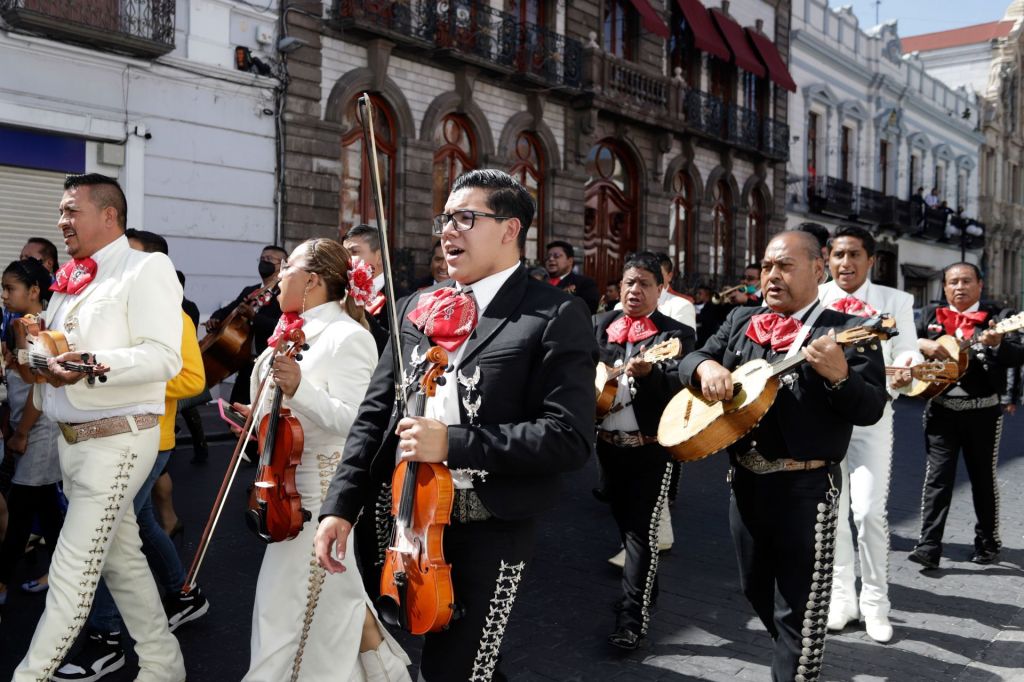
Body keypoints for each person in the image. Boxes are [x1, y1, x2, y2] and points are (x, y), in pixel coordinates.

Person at [315, 169, 598, 681]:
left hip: (491, 526)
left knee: (457, 668)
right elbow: (374, 415)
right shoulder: (415, 309)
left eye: (466, 218)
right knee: (463, 662)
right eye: (446, 218)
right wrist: (340, 506)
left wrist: (455, 443)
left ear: (510, 229)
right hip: (408, 524)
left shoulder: (555, 314)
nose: (448, 230)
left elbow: (569, 438)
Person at [677, 231, 888, 681]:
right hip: (746, 483)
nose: (772, 276)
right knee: (754, 589)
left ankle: (795, 664)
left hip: (807, 489)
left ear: (818, 269)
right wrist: (704, 366)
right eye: (768, 266)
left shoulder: (849, 330)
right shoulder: (740, 319)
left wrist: (839, 376)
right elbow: (691, 356)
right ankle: (793, 651)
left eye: (785, 266)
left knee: (800, 607)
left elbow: (870, 408)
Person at [14, 173, 185, 682]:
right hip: (74, 445)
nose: (61, 221)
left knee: (71, 566)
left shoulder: (147, 267)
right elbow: (57, 361)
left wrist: (86, 363)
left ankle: (31, 674)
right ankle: (163, 663)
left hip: (118, 442)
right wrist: (36, 358)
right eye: (62, 211)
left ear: (109, 215)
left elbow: (164, 357)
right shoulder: (71, 280)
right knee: (122, 561)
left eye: (71, 210)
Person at [240, 238, 410, 681]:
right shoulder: (289, 329)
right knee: (313, 613)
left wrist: (300, 389)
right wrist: (259, 419)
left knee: (291, 617)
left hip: (318, 494)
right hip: (284, 486)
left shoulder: (348, 336)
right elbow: (284, 411)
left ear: (312, 280)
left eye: (287, 267)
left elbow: (358, 421)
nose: (276, 276)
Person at [54, 230, 209, 682]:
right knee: (129, 530)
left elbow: (192, 380)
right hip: (102, 437)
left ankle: (106, 637)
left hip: (147, 440)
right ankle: (183, 594)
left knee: (105, 538)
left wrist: (126, 377)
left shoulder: (171, 313)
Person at [818, 225, 922, 643]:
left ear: (870, 260)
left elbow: (909, 348)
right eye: (838, 255)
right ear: (828, 259)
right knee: (833, 514)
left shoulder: (895, 301)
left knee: (868, 513)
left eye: (854, 255)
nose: (845, 264)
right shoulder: (816, 298)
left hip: (872, 418)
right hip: (824, 420)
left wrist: (909, 363)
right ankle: (842, 599)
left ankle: (877, 604)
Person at [593, 253, 694, 650]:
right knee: (625, 525)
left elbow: (681, 389)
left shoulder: (676, 334)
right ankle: (643, 588)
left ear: (660, 289)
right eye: (628, 283)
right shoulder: (600, 326)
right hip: (607, 446)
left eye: (644, 284)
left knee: (640, 533)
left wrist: (651, 376)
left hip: (651, 448)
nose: (634, 291)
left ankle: (631, 619)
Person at [909, 263, 1024, 570]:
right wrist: (920, 343)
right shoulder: (930, 317)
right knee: (937, 479)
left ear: (979, 285)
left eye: (966, 281)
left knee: (982, 480)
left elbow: (1017, 355)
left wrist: (998, 343)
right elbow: (902, 345)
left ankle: (987, 542)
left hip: (982, 413)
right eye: (953, 282)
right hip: (940, 411)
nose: (959, 287)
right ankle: (928, 545)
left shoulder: (998, 317)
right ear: (944, 287)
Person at [0, 258, 64, 620]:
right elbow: (26, 376)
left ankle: (2, 581)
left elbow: (39, 391)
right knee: (45, 508)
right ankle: (58, 573)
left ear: (34, 292)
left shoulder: (34, 330)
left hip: (37, 430)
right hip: (29, 428)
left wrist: (21, 433)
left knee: (23, 509)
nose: (5, 296)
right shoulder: (20, 326)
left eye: (11, 289)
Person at [204, 245, 285, 404]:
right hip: (244, 363)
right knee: (235, 409)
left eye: (269, 259)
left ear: (282, 265)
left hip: (268, 364)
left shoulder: (283, 292)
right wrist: (215, 319)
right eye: (262, 259)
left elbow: (280, 326)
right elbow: (227, 310)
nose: (264, 262)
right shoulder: (251, 290)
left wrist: (254, 317)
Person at [544, 240, 600, 313]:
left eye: (556, 256)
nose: (551, 259)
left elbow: (588, 310)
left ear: (570, 261)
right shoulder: (539, 282)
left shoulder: (585, 283)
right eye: (548, 256)